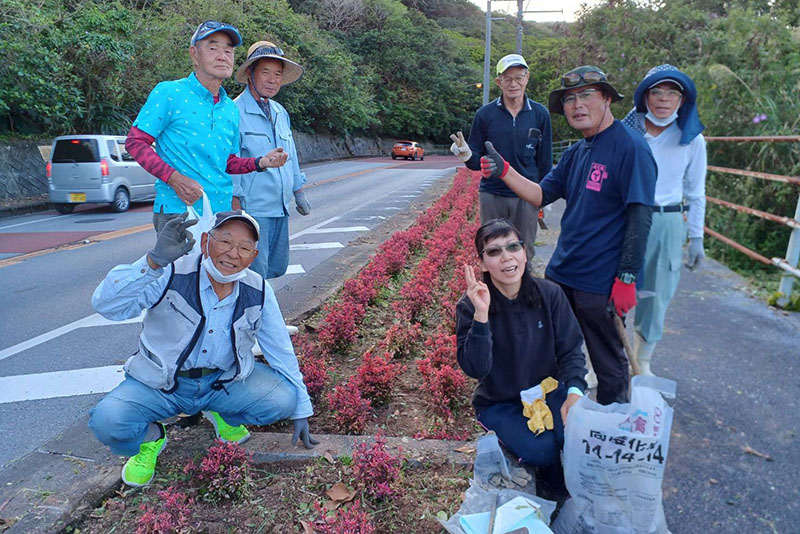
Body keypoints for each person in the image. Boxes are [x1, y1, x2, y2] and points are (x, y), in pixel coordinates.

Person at [88, 210, 317, 487]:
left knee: (283, 400)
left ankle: (220, 412)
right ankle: (152, 438)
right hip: (161, 383)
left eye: (244, 248)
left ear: (253, 256)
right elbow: (106, 305)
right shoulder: (171, 272)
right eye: (225, 242)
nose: (233, 254)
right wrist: (152, 262)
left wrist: (301, 408)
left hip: (221, 381)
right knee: (108, 422)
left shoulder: (258, 289)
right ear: (206, 240)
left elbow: (280, 349)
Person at [479, 66, 657, 405]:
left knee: (607, 362)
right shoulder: (577, 152)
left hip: (599, 280)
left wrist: (627, 277)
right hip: (561, 274)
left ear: (607, 98)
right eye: (570, 99)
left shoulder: (630, 147)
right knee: (555, 351)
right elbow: (539, 195)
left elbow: (640, 216)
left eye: (586, 94)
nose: (577, 104)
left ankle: (609, 426)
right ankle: (560, 419)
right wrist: (504, 171)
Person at [456, 219, 586, 494]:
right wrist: (481, 317)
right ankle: (553, 487)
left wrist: (574, 392)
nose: (506, 257)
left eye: (513, 247)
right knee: (542, 450)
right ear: (482, 263)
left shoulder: (549, 294)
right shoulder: (471, 305)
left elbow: (571, 350)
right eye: (494, 251)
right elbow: (476, 367)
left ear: (524, 253)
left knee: (576, 435)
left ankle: (579, 486)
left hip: (548, 391)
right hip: (501, 402)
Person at [124, 21, 286, 232]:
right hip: (179, 211)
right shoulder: (170, 93)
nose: (222, 56)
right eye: (212, 48)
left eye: (228, 50)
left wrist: (261, 162)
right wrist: (174, 179)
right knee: (180, 266)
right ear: (194, 54)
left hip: (221, 213)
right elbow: (135, 142)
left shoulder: (230, 108)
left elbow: (227, 163)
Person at [622, 65, 707, 377]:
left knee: (656, 295)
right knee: (609, 288)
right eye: (656, 91)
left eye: (672, 92)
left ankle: (642, 362)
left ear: (682, 100)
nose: (663, 99)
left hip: (667, 221)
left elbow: (696, 193)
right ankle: (600, 359)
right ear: (645, 95)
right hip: (625, 219)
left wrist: (696, 238)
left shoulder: (691, 140)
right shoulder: (627, 132)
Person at [449, 53, 553, 262]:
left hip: (526, 194)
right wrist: (467, 154)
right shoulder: (485, 115)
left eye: (519, 77)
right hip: (493, 194)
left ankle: (524, 293)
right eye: (507, 79)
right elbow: (476, 160)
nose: (513, 83)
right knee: (493, 249)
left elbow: (545, 159)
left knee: (524, 251)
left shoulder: (540, 114)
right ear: (499, 82)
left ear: (527, 77)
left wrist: (545, 195)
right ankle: (494, 294)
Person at [232, 40, 312, 279]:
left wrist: (298, 191)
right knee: (252, 272)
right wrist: (235, 206)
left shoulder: (279, 111)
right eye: (265, 72)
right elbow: (230, 162)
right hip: (253, 209)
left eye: (278, 74)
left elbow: (292, 154)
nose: (273, 79)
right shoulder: (234, 111)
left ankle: (261, 312)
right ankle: (253, 315)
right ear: (250, 74)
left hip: (280, 207)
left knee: (275, 268)